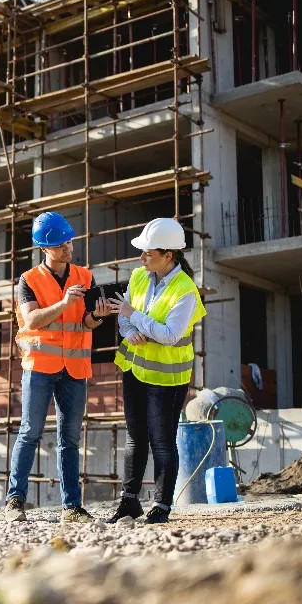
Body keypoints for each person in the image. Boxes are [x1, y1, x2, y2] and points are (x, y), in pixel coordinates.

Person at [4, 211, 113, 523]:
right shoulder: (28, 280)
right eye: (60, 244)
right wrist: (64, 303)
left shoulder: (85, 276)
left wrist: (99, 316)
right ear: (45, 248)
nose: (68, 247)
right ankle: (15, 500)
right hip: (40, 367)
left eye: (69, 241)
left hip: (74, 370)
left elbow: (86, 322)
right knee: (30, 432)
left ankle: (73, 508)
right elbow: (32, 319)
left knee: (70, 439)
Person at [105, 217, 206, 525]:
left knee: (162, 441)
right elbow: (123, 314)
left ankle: (161, 505)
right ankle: (130, 501)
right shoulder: (138, 276)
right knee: (135, 438)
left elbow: (170, 334)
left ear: (169, 255)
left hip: (167, 378)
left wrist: (133, 315)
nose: (142, 257)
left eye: (148, 252)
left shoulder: (185, 291)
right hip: (135, 369)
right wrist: (127, 329)